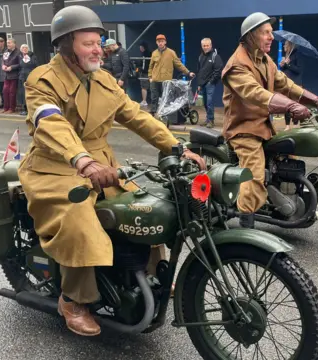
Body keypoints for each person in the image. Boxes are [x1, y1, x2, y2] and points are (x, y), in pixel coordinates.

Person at [17, 5, 205, 337]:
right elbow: (51, 124)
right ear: (66, 45)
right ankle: (74, 299)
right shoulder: (42, 79)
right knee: (80, 217)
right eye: (88, 43)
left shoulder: (103, 80)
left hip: (101, 165)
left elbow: (137, 117)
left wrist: (176, 146)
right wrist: (82, 160)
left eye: (99, 42)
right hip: (56, 167)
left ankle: (151, 272)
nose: (98, 49)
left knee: (143, 206)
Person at [221, 12, 318, 228]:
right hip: (243, 128)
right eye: (265, 33)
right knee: (253, 174)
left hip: (263, 125)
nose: (271, 37)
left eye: (271, 33)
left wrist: (315, 100)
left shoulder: (264, 60)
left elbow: (286, 84)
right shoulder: (237, 65)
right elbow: (255, 93)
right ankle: (246, 229)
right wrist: (291, 106)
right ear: (250, 36)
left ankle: (286, 200)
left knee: (289, 152)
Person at [148, 34, 195, 115]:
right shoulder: (154, 53)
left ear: (165, 42)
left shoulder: (171, 52)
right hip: (155, 80)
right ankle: (153, 115)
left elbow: (179, 64)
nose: (160, 43)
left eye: (162, 41)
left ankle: (164, 115)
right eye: (159, 42)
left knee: (165, 99)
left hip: (166, 81)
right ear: (156, 43)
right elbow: (150, 66)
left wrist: (188, 72)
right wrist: (150, 77)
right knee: (154, 98)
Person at [197, 37, 224, 128]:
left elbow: (218, 70)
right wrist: (199, 84)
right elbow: (199, 71)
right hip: (203, 84)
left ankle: (211, 120)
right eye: (204, 45)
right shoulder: (200, 57)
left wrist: (211, 82)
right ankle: (208, 119)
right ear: (202, 46)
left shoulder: (215, 56)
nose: (206, 47)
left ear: (211, 45)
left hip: (210, 84)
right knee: (205, 102)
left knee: (209, 102)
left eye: (207, 45)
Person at [279, 40, 304, 131]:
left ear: (290, 45)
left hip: (296, 85)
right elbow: (284, 71)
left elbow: (299, 70)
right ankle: (287, 125)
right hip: (287, 84)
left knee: (296, 105)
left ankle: (297, 124)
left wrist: (288, 64)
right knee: (287, 105)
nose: (283, 46)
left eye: (285, 44)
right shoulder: (287, 56)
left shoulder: (297, 55)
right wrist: (282, 65)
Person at [16, 44, 38, 115]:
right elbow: (18, 66)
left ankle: (31, 109)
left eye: (26, 48)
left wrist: (27, 59)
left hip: (30, 77)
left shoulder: (33, 56)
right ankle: (25, 109)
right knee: (23, 93)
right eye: (23, 48)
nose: (24, 49)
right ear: (21, 50)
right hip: (22, 77)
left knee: (30, 93)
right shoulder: (19, 56)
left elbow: (35, 65)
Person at [1, 38, 20, 113]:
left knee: (12, 92)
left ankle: (12, 108)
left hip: (14, 75)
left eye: (9, 43)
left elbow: (20, 64)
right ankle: (6, 108)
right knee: (5, 91)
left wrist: (11, 67)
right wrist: (3, 65)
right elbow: (3, 61)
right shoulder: (6, 52)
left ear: (14, 44)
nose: (7, 44)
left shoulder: (18, 52)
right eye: (7, 43)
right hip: (6, 75)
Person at [138, 41, 152, 106]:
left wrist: (141, 70)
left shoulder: (145, 55)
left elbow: (144, 65)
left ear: (143, 47)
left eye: (140, 47)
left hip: (145, 73)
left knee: (144, 87)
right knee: (152, 87)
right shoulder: (150, 53)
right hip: (150, 73)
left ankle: (144, 101)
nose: (140, 48)